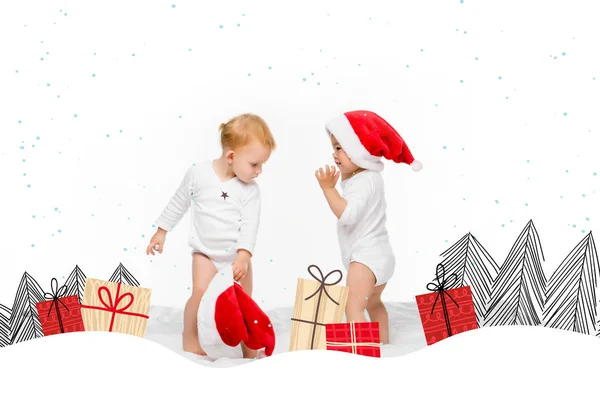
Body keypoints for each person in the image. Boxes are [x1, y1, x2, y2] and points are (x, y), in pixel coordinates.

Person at [146, 113, 276, 357]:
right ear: (231, 157)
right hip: (205, 254)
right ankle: (191, 337)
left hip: (237, 257)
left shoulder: (250, 190)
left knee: (244, 301)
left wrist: (243, 256)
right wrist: (162, 231)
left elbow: (250, 225)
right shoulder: (197, 174)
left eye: (262, 165)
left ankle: (248, 345)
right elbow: (178, 203)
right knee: (199, 294)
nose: (259, 171)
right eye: (254, 164)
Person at [315, 110, 422, 344]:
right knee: (373, 304)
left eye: (340, 148)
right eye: (333, 148)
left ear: (359, 151)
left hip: (366, 259)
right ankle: (384, 345)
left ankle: (361, 355)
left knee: (352, 308)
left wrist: (328, 189)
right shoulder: (366, 176)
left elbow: (348, 215)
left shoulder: (363, 182)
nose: (334, 155)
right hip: (380, 257)